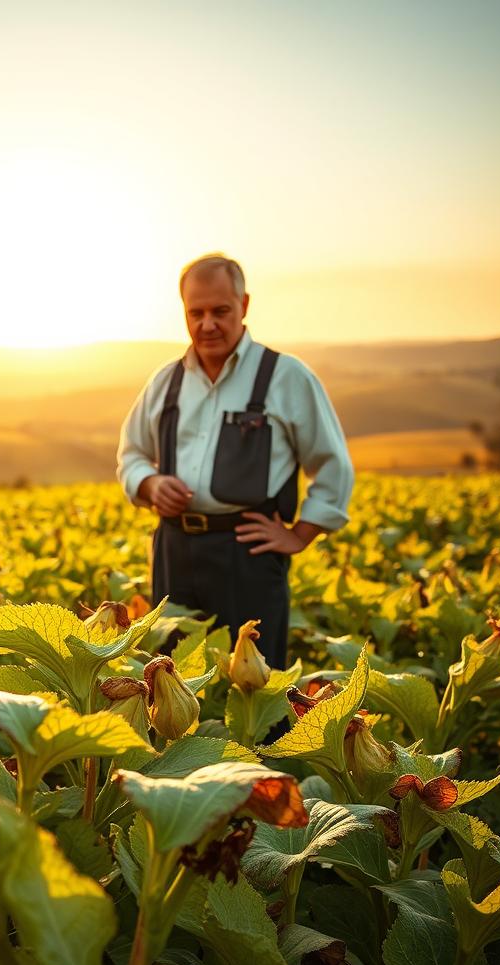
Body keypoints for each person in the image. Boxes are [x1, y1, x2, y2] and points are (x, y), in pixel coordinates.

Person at [116, 254, 354, 667]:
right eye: (196, 312)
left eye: (220, 311)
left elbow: (334, 464)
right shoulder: (165, 380)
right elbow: (131, 453)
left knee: (256, 688)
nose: (207, 324)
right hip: (173, 552)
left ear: (243, 306)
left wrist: (299, 535)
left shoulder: (286, 376)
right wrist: (150, 484)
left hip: (248, 554)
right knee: (170, 684)